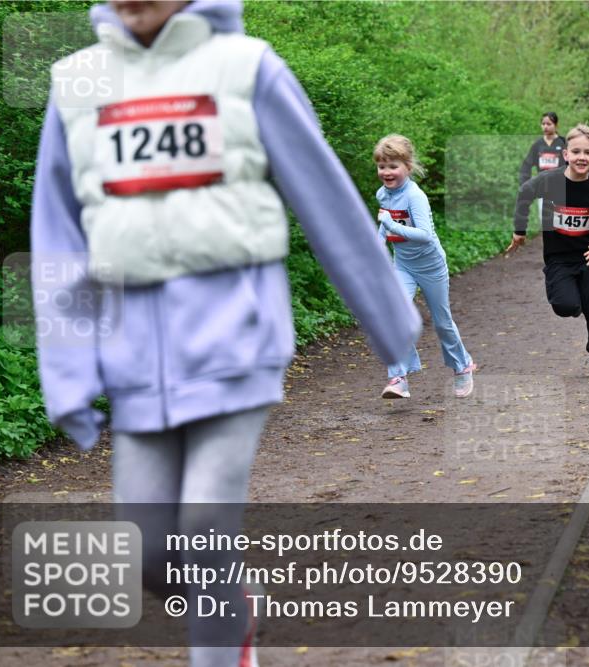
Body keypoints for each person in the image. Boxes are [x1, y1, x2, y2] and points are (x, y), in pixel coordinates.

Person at [30, 2, 420, 666]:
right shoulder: (78, 82)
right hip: (132, 365)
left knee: (206, 522)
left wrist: (391, 325)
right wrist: (68, 370)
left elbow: (324, 196)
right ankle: (233, 605)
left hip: (235, 343)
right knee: (149, 551)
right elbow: (57, 236)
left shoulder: (246, 69)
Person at [505, 125, 589, 378]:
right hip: (559, 259)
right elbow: (524, 193)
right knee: (565, 306)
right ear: (565, 154)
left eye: (588, 153)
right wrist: (519, 231)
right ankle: (574, 301)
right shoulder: (550, 181)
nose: (582, 157)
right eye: (576, 151)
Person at [375, 134, 475, 399]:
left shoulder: (415, 196)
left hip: (431, 266)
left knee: (442, 323)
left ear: (408, 166)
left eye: (393, 165)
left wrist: (391, 225)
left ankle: (462, 366)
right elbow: (385, 228)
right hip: (403, 265)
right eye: (382, 166)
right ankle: (398, 378)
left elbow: (425, 234)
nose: (386, 172)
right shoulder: (382, 194)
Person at [520, 112, 567, 227]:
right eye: (543, 124)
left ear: (556, 125)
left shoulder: (563, 143)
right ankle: (550, 244)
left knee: (562, 219)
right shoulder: (538, 145)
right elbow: (526, 164)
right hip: (544, 186)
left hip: (561, 185)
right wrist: (524, 183)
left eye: (549, 124)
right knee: (544, 220)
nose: (545, 126)